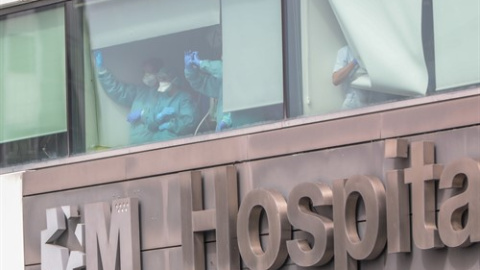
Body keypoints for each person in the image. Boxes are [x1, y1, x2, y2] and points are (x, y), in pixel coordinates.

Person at [93, 51, 197, 144]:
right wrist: (102, 71)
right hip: (136, 147)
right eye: (144, 72)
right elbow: (119, 91)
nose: (146, 76)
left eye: (149, 72)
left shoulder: (169, 96)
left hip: (156, 147)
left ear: (159, 72)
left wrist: (143, 115)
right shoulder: (140, 91)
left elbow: (182, 122)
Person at [184, 50, 231, 132]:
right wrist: (191, 71)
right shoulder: (222, 83)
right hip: (223, 133)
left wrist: (202, 63)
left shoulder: (246, 75)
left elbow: (228, 70)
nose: (222, 57)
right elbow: (201, 83)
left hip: (244, 131)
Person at [332, 45, 368, 110]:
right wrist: (355, 61)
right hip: (353, 102)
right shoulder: (345, 52)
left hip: (377, 102)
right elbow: (336, 79)